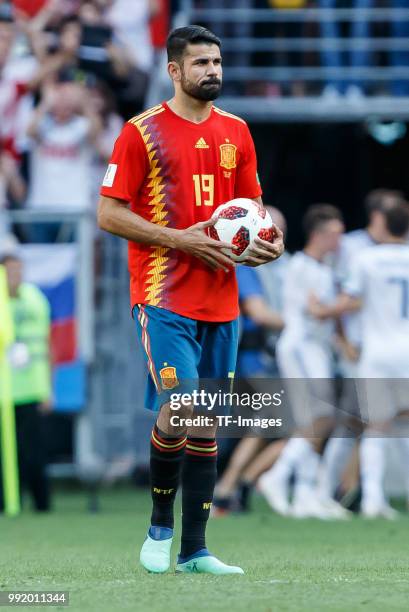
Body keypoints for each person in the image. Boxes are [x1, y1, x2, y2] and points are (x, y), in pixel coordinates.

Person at [98, 25, 284, 575]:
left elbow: (254, 215)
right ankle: (159, 527)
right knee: (182, 406)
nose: (213, 72)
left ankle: (195, 550)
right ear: (174, 71)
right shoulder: (141, 133)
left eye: (218, 62)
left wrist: (268, 246)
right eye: (201, 63)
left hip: (221, 301)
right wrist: (181, 239)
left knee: (207, 422)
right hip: (163, 295)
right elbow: (109, 214)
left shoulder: (238, 132)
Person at [308, 201, 409, 518]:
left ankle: (372, 499)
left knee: (375, 425)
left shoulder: (366, 259)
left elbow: (347, 301)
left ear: (380, 222)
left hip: (376, 352)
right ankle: (377, 499)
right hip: (406, 350)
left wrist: (320, 311)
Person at [258, 204, 348, 519]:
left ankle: (305, 493)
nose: (340, 241)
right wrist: (348, 304)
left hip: (318, 349)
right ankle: (276, 476)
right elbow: (314, 310)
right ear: (318, 235)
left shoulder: (327, 269)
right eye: (335, 234)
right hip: (300, 347)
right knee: (321, 418)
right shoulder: (300, 266)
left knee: (313, 422)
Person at [0, 247, 52, 512]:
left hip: (32, 388)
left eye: (19, 269)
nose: (15, 275)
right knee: (5, 454)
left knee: (35, 452)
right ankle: (8, 502)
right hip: (3, 391)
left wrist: (48, 388)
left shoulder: (35, 298)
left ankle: (42, 505)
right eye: (10, 270)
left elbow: (46, 343)